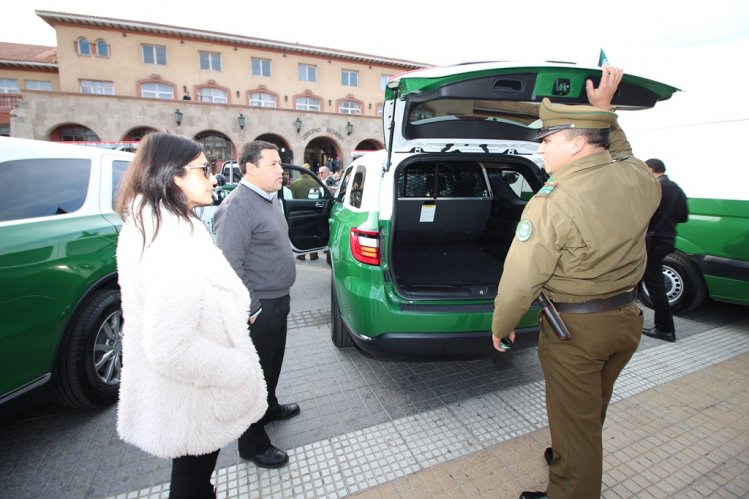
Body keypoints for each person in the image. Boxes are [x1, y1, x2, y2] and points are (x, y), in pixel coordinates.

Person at [490, 66, 661, 499]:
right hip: (626, 320)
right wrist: (606, 111)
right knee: (587, 414)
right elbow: (620, 150)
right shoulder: (641, 179)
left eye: (548, 139)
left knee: (575, 419)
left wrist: (501, 324)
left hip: (577, 333)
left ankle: (569, 487)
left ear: (577, 141)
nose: (542, 148)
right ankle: (572, 454)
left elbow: (519, 280)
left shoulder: (552, 202)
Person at [115, 132, 268, 498]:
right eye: (204, 169)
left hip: (186, 393)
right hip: (194, 393)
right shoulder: (170, 242)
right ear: (174, 176)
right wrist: (238, 367)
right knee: (192, 483)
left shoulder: (155, 224)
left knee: (194, 479)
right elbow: (171, 349)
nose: (214, 177)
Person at [213, 140, 300, 469]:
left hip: (279, 299)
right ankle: (252, 443)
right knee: (253, 375)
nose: (281, 170)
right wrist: (252, 307)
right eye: (274, 164)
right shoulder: (237, 206)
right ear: (251, 168)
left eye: (281, 164)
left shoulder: (269, 198)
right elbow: (228, 263)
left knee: (272, 363)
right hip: (260, 306)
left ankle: (270, 407)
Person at [641, 158, 689, 342]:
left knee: (655, 285)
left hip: (652, 241)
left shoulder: (654, 188)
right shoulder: (677, 188)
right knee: (654, 282)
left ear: (651, 169)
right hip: (667, 240)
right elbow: (683, 217)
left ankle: (665, 328)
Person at [291, 162, 322, 261]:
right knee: (313, 233)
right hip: (313, 210)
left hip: (299, 210)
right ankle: (313, 254)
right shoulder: (316, 182)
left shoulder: (294, 183)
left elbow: (294, 198)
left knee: (301, 233)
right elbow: (319, 196)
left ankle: (301, 254)